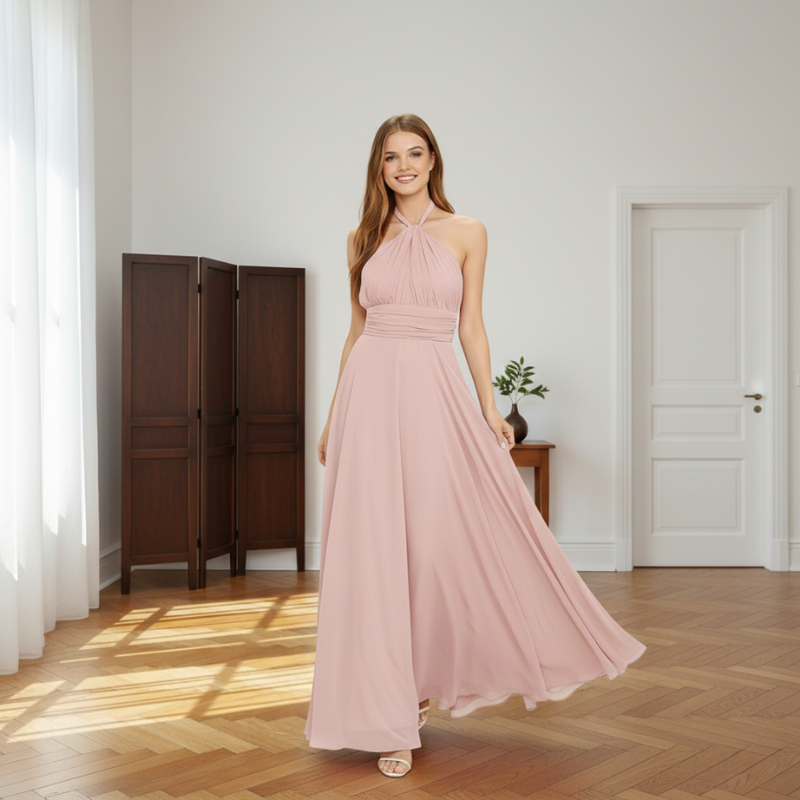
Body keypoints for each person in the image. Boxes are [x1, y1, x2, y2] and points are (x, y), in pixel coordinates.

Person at [303, 113, 646, 778]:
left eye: (415, 154)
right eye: (391, 157)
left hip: (432, 391)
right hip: (368, 400)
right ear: (379, 168)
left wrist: (489, 407)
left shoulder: (467, 232)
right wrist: (332, 415)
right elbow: (355, 333)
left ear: (434, 161)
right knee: (372, 556)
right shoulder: (360, 237)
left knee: (432, 549)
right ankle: (389, 715)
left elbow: (473, 326)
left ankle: (425, 679)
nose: (403, 166)